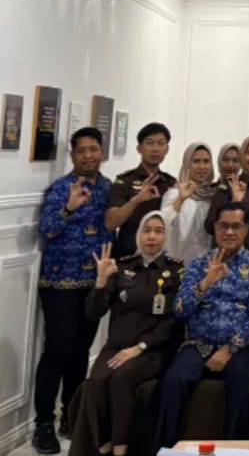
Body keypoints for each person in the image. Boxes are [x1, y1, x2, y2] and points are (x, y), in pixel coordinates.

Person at [153, 203, 249, 451]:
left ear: (246, 230)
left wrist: (230, 348)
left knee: (242, 379)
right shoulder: (197, 265)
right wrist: (205, 283)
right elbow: (180, 309)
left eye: (236, 226)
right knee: (173, 381)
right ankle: (166, 450)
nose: (229, 232)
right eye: (224, 226)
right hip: (199, 344)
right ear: (215, 229)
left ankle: (234, 450)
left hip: (243, 346)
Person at [33, 127, 113, 454]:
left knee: (81, 352)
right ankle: (43, 424)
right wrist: (68, 207)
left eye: (94, 149)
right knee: (57, 350)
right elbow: (47, 229)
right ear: (73, 154)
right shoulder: (60, 188)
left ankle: (71, 414)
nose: (88, 155)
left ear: (102, 152)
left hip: (93, 284)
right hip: (59, 284)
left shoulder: (109, 189)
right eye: (82, 150)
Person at [74, 213, 182, 456]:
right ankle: (103, 443)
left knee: (122, 378)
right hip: (116, 346)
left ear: (167, 236)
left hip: (150, 350)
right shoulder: (122, 267)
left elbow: (172, 321)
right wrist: (101, 281)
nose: (152, 236)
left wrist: (140, 347)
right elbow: (93, 312)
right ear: (138, 234)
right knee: (95, 382)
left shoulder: (176, 271)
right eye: (146, 230)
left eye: (158, 231)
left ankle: (121, 447)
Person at [105, 122, 176, 258]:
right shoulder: (125, 181)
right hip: (128, 256)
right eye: (149, 143)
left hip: (160, 259)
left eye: (161, 143)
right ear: (139, 148)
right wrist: (135, 201)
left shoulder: (171, 183)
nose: (155, 148)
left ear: (167, 149)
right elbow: (110, 223)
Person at [161, 142, 215, 263]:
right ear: (187, 164)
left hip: (205, 266)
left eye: (206, 161)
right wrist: (181, 199)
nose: (201, 166)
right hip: (176, 264)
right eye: (196, 161)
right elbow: (163, 224)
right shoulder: (174, 194)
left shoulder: (212, 196)